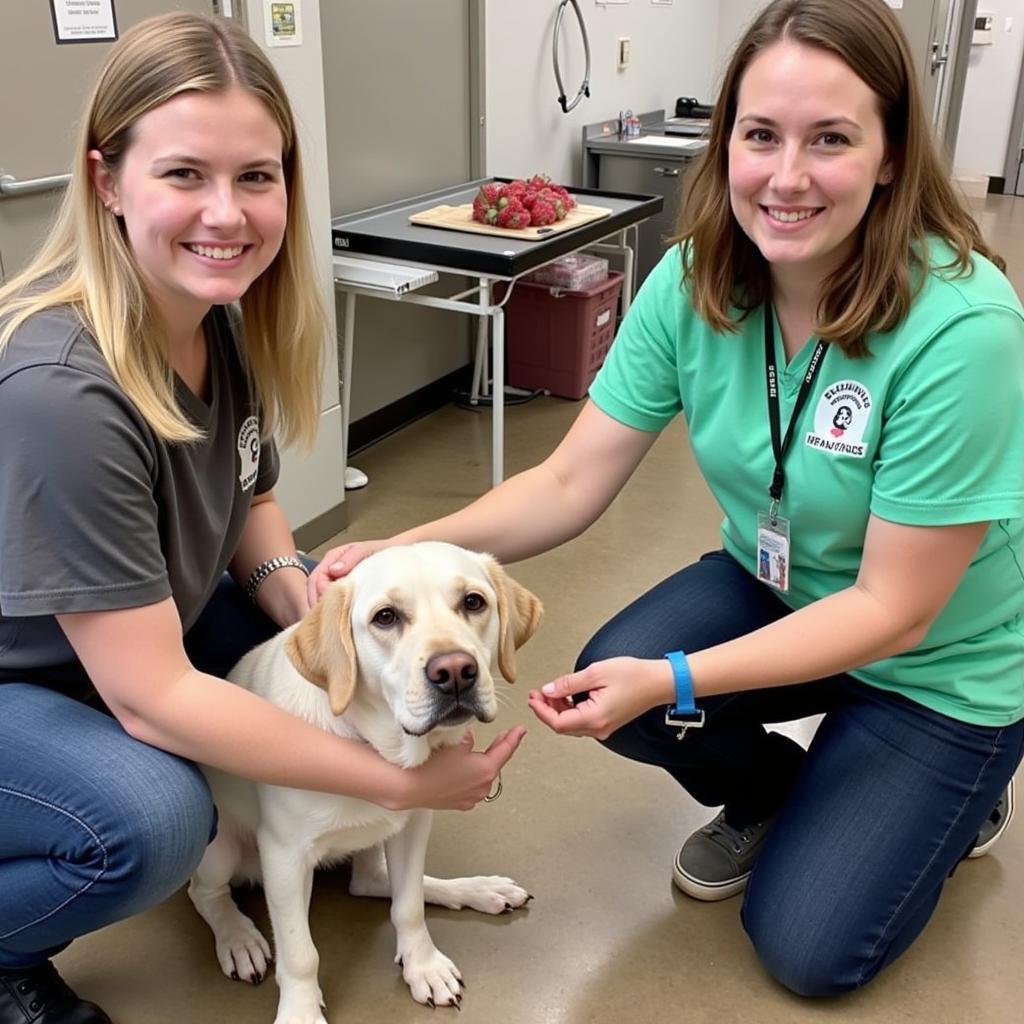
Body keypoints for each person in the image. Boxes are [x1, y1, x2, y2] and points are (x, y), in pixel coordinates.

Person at [316, 0, 1024, 998]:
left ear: (893, 153)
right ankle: (788, 792)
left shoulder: (964, 328)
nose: (785, 176)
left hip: (940, 660)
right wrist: (397, 546)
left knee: (807, 949)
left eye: (831, 140)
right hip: (780, 588)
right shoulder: (694, 281)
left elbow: (892, 610)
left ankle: (958, 796)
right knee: (620, 676)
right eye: (759, 134)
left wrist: (676, 679)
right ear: (722, 136)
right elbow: (566, 480)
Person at [0, 15, 521, 1024]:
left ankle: (345, 832)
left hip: (144, 619)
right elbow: (150, 696)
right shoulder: (60, 391)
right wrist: (400, 785)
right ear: (107, 180)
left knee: (354, 608)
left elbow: (249, 498)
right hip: (33, 678)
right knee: (154, 821)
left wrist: (301, 597)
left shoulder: (211, 316)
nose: (227, 214)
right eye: (185, 174)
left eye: (257, 176)